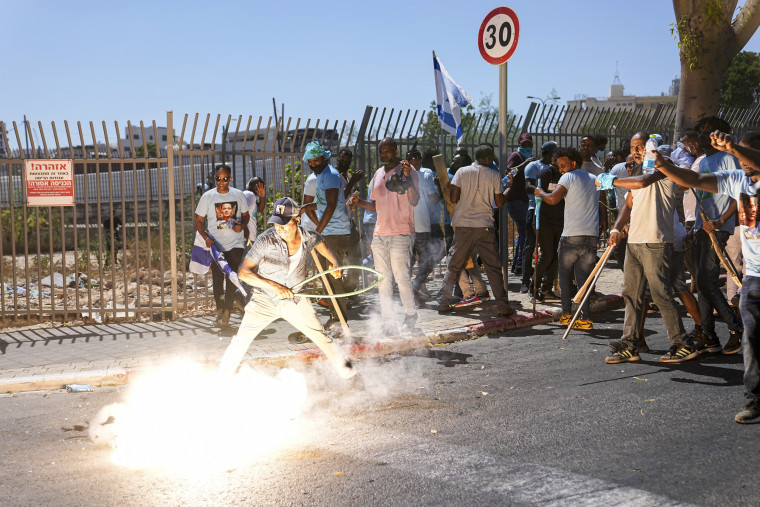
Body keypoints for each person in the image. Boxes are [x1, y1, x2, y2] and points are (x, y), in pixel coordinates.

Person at [648, 130, 760, 424]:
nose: (739, 158)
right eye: (738, 154)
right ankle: (755, 399)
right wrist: (663, 165)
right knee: (752, 342)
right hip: (754, 278)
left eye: (745, 153)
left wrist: (734, 147)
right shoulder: (738, 180)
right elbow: (695, 181)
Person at [218, 197, 355, 380]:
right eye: (276, 223)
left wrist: (334, 262)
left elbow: (320, 242)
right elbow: (243, 273)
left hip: (295, 299)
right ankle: (221, 378)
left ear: (297, 220)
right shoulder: (265, 240)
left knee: (321, 336)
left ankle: (349, 372)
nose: (279, 228)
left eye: (284, 223)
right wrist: (275, 286)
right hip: (264, 300)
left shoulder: (308, 237)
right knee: (241, 340)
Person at [597, 132, 695, 364]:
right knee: (630, 294)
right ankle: (630, 345)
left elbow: (642, 183)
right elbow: (629, 204)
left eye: (641, 147)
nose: (636, 151)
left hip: (656, 240)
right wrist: (616, 228)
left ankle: (683, 343)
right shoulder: (638, 172)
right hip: (635, 242)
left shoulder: (664, 167)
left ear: (653, 148)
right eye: (633, 147)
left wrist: (611, 181)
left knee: (661, 294)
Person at [349, 137, 420, 335]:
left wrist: (407, 177)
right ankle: (388, 323)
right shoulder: (378, 174)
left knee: (401, 277)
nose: (384, 154)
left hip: (401, 232)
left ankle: (410, 314)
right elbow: (375, 206)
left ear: (396, 151)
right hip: (379, 234)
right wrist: (358, 201)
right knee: (383, 279)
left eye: (387, 150)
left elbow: (415, 200)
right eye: (381, 151)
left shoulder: (408, 171)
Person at [437, 144, 513, 317]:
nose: (493, 160)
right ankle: (502, 306)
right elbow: (499, 203)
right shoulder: (494, 175)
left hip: (463, 226)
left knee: (454, 265)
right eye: (492, 157)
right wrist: (510, 187)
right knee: (493, 267)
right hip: (485, 226)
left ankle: (443, 303)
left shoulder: (462, 172)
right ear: (487, 158)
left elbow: (453, 198)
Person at [689, 117, 743, 354]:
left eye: (707, 132)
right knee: (701, 282)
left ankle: (736, 328)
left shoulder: (729, 158)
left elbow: (738, 196)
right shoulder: (703, 162)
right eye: (699, 132)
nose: (702, 137)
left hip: (718, 228)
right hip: (702, 228)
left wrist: (720, 220)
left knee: (706, 281)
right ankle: (708, 336)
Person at [534, 147, 601, 329]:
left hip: (571, 236)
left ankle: (566, 315)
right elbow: (600, 206)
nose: (560, 169)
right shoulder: (594, 179)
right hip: (591, 236)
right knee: (583, 280)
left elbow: (554, 199)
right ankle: (585, 318)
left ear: (573, 163)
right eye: (558, 165)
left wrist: (541, 193)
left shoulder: (568, 177)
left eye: (563, 165)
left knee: (563, 276)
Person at [301, 141, 353, 331]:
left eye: (316, 160)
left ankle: (341, 321)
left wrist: (318, 232)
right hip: (328, 232)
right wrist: (307, 208)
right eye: (310, 162)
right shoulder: (321, 175)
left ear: (324, 158)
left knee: (333, 277)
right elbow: (324, 203)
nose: (313, 164)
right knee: (326, 278)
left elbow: (331, 206)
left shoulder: (330, 175)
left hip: (335, 233)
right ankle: (335, 317)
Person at [195, 165, 249, 328]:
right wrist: (206, 238)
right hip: (216, 246)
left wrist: (241, 225)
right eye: (218, 179)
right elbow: (198, 221)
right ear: (215, 179)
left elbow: (245, 217)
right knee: (217, 281)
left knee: (231, 279)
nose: (221, 182)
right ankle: (220, 309)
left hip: (236, 245)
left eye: (225, 179)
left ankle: (226, 313)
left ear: (230, 179)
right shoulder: (207, 196)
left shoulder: (238, 195)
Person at [523, 141, 557, 294]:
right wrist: (541, 190)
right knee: (532, 248)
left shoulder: (559, 171)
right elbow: (528, 187)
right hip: (536, 212)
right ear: (551, 154)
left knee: (554, 254)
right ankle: (528, 283)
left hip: (556, 215)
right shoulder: (535, 167)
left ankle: (546, 287)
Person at [407, 148, 439, 305]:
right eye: (414, 159)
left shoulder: (402, 176)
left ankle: (409, 293)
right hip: (421, 225)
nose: (417, 161)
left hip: (407, 226)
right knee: (427, 261)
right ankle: (414, 289)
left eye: (418, 158)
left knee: (409, 261)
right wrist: (439, 187)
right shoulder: (426, 174)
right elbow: (434, 199)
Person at [531, 150, 564, 302]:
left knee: (556, 256)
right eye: (557, 160)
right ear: (553, 159)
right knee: (546, 255)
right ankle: (534, 287)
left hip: (560, 221)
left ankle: (546, 289)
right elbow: (539, 194)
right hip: (544, 221)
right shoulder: (545, 174)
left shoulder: (566, 176)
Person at [506, 133, 535, 275]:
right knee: (525, 231)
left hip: (524, 200)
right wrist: (525, 163)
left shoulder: (528, 158)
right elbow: (510, 172)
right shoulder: (516, 156)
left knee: (524, 232)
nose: (527, 146)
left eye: (529, 144)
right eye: (524, 144)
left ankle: (518, 264)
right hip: (515, 200)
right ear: (519, 144)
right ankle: (519, 264)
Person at [242, 176, 266, 245]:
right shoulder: (249, 195)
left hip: (249, 237)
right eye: (257, 185)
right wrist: (245, 231)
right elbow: (240, 212)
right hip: (246, 237)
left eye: (261, 186)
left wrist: (262, 197)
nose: (259, 188)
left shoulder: (252, 196)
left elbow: (259, 209)